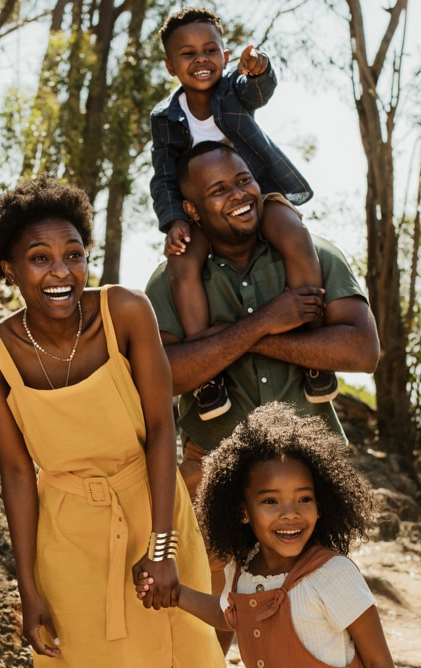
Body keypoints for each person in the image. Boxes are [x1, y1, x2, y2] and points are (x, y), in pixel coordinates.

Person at [0, 177, 239, 668]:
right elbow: (17, 472)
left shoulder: (125, 312)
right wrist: (28, 588)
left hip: (154, 510)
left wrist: (162, 547)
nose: (61, 272)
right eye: (39, 258)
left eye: (74, 255)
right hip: (69, 541)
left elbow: (162, 429)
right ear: (9, 269)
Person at [145, 139, 380, 648]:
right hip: (211, 475)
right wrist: (265, 324)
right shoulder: (172, 281)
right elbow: (165, 374)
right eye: (218, 190)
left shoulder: (312, 255)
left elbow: (362, 349)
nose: (238, 195)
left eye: (244, 181)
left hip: (306, 481)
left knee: (317, 633)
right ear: (191, 209)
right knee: (199, 643)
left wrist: (242, 338)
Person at [136, 402, 405, 668]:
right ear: (243, 511)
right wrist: (176, 595)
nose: (290, 513)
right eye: (270, 501)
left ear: (322, 504)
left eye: (304, 498)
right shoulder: (243, 568)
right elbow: (229, 614)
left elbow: (379, 663)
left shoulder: (332, 573)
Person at [150, 6, 339, 421]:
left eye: (209, 50)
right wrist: (174, 220)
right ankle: (208, 377)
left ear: (224, 53)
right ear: (170, 66)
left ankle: (312, 351)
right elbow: (164, 175)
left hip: (258, 191)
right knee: (182, 263)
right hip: (206, 209)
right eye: (187, 53)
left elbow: (259, 90)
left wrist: (260, 68)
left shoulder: (233, 92)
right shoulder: (165, 119)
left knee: (292, 231)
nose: (200, 60)